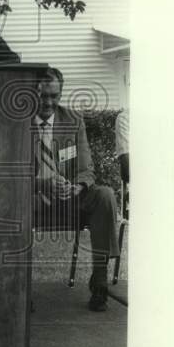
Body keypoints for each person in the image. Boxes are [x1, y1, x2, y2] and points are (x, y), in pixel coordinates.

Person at [34, 67, 119, 312]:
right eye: (43, 96)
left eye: (55, 96)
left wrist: (77, 186)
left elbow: (86, 168)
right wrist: (43, 183)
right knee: (12, 202)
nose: (49, 102)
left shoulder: (73, 119)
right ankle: (16, 288)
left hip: (70, 200)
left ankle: (100, 279)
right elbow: (13, 175)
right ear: (32, 93)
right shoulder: (18, 122)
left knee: (104, 195)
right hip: (35, 200)